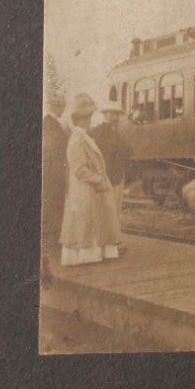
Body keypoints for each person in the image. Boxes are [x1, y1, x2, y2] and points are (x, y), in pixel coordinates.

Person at [58, 93, 119, 266]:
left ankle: (92, 253)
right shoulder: (77, 139)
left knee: (91, 223)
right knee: (85, 225)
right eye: (87, 118)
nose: (90, 121)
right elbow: (79, 169)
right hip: (84, 190)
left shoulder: (83, 137)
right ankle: (85, 254)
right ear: (81, 120)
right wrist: (98, 179)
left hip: (89, 190)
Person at [89, 94, 132, 252]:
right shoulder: (99, 132)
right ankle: (105, 245)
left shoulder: (116, 132)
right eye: (113, 114)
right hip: (108, 178)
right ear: (105, 114)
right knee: (107, 212)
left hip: (118, 177)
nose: (116, 117)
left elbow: (127, 151)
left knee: (114, 211)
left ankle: (111, 244)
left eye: (118, 114)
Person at [40, 89, 69, 268]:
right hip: (53, 174)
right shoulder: (49, 123)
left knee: (56, 206)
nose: (63, 108)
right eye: (61, 105)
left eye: (63, 105)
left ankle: (54, 243)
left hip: (56, 172)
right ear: (54, 106)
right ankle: (52, 245)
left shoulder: (54, 123)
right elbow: (49, 150)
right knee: (53, 207)